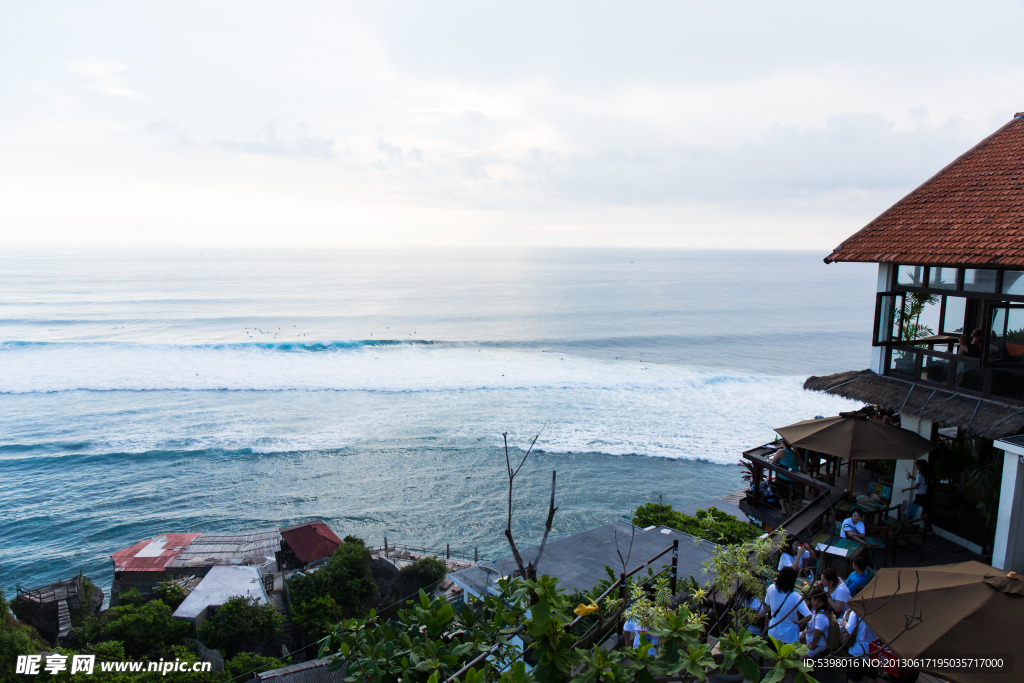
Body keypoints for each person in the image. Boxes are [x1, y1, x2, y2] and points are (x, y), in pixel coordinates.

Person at [758, 567, 811, 645]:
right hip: (789, 636)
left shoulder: (771, 588)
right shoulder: (796, 597)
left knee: (773, 655)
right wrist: (798, 622)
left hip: (773, 632)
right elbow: (809, 616)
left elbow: (767, 608)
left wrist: (761, 614)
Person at [842, 606, 878, 683]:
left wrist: (845, 621)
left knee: (853, 679)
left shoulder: (855, 612)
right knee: (872, 677)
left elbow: (850, 629)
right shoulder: (877, 611)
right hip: (873, 651)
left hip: (857, 651)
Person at [799, 592, 831, 659]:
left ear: (824, 603)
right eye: (814, 600)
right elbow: (809, 622)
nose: (815, 603)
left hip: (817, 644)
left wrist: (812, 646)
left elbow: (817, 634)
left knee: (800, 661)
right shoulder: (814, 610)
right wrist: (803, 633)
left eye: (819, 602)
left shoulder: (820, 617)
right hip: (808, 637)